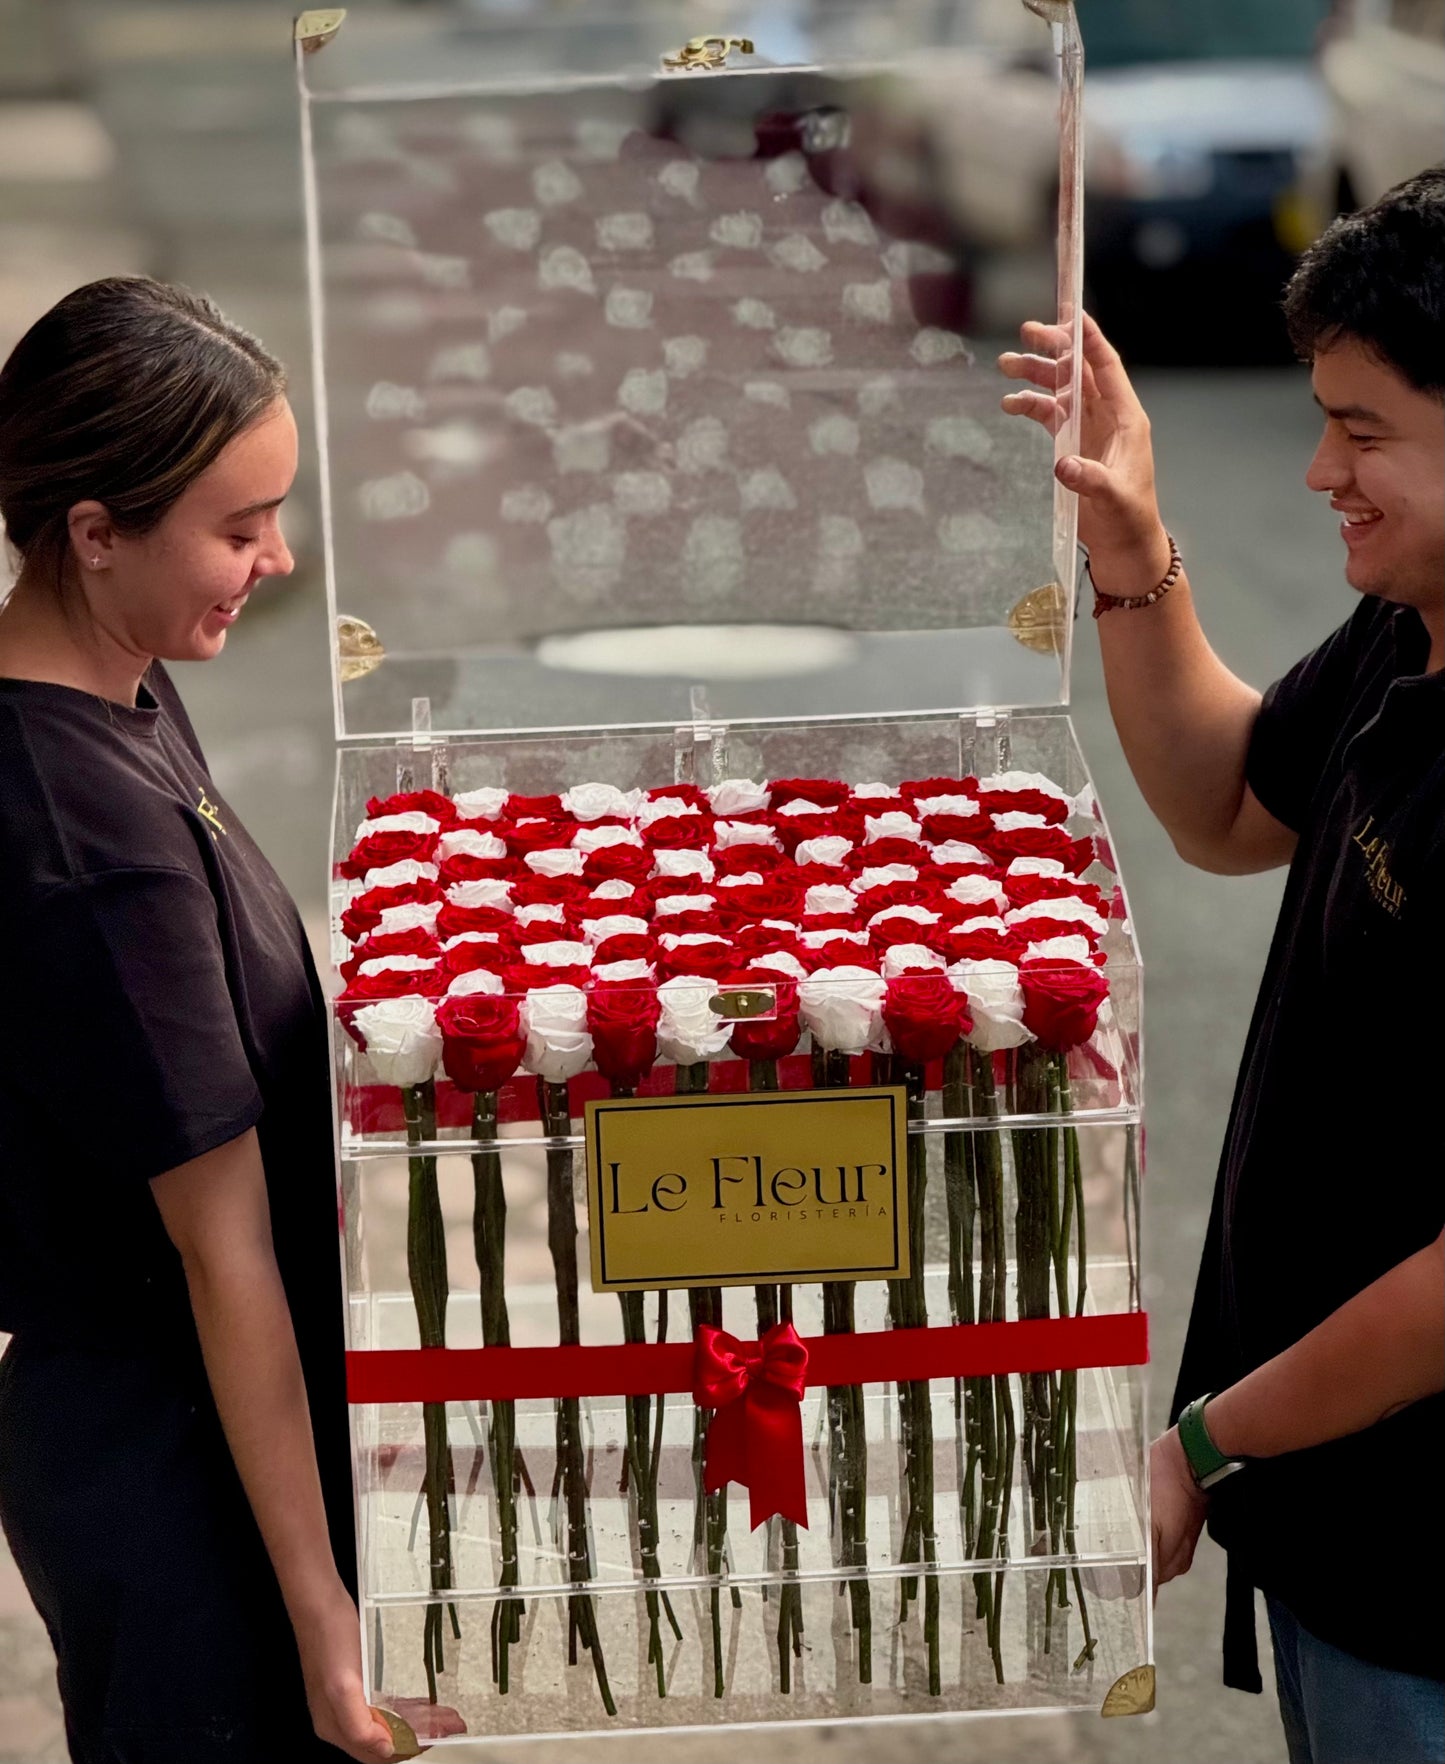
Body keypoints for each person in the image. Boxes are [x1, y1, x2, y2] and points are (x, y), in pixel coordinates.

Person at [1001, 168, 1444, 1763]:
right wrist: (1128, 535)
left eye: (1364, 431)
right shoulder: (1414, 626)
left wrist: (1205, 1442)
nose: (1319, 468)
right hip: (1334, 1520)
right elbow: (1226, 803)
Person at [0, 277, 398, 1763]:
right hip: (184, 1475)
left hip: (219, 1428)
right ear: (95, 532)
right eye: (238, 531)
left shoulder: (124, 677)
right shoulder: (90, 841)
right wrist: (323, 1621)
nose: (275, 559)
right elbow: (220, 1254)